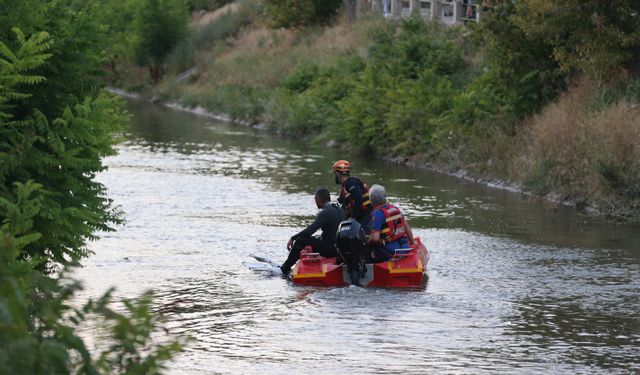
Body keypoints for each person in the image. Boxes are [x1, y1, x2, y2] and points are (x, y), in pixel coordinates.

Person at [279, 188, 346, 275]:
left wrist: (293, 238)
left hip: (331, 249)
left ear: (318, 199)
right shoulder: (339, 209)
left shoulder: (326, 212)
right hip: (340, 249)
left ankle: (285, 268)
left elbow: (310, 231)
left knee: (301, 240)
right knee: (315, 238)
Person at [365, 184, 415, 262]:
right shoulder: (395, 209)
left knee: (369, 244)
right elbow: (407, 227)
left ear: (372, 200)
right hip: (404, 248)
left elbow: (375, 239)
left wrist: (367, 241)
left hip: (390, 251)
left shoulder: (377, 214)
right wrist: (412, 243)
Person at [332, 160, 372, 231]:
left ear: (337, 173)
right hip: (362, 216)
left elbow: (358, 199)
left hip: (366, 216)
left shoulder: (351, 182)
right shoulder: (346, 185)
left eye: (335, 173)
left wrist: (353, 218)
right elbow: (340, 202)